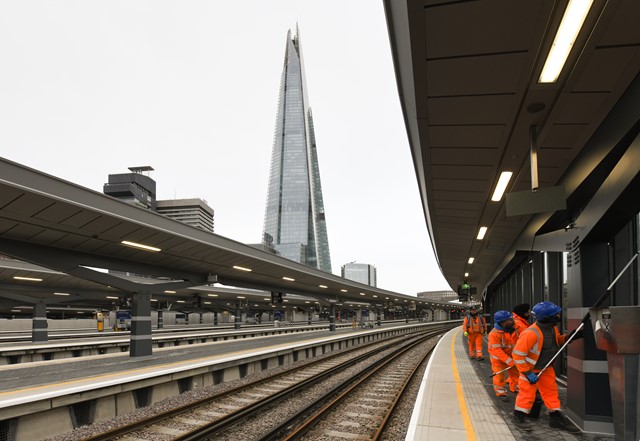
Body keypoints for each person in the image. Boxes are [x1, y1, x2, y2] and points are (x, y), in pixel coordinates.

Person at [512, 301, 583, 432]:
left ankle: (555, 418)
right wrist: (527, 373)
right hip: (530, 370)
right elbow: (517, 355)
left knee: (551, 393)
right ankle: (518, 417)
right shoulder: (530, 333)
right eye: (556, 314)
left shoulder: (551, 328)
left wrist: (570, 337)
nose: (559, 316)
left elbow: (557, 341)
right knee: (526, 395)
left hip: (546, 368)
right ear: (547, 318)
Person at [488, 310, 519, 400]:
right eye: (509, 319)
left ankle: (516, 388)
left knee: (516, 374)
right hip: (498, 359)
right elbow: (497, 351)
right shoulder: (494, 334)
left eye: (511, 318)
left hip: (513, 356)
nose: (512, 321)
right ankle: (500, 392)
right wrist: (509, 361)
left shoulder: (515, 329)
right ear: (502, 322)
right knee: (499, 376)